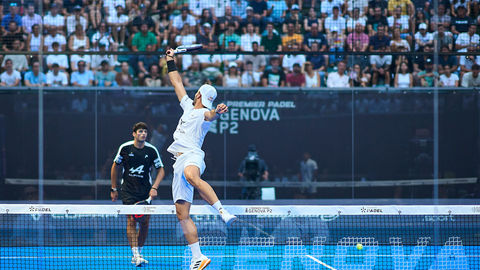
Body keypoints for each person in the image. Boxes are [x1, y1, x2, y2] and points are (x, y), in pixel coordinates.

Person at [164, 48, 236, 270]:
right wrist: (170, 60)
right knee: (182, 215)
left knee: (191, 175)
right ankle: (198, 257)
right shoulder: (187, 106)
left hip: (193, 155)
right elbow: (176, 82)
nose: (204, 102)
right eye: (205, 99)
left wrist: (218, 111)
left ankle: (223, 211)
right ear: (198, 96)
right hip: (177, 162)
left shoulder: (205, 114)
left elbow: (211, 114)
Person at [110, 122, 165, 267]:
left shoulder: (152, 150)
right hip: (128, 191)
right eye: (140, 131)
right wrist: (114, 188)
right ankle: (135, 255)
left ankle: (139, 253)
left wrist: (154, 187)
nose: (143, 134)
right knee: (131, 220)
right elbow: (115, 166)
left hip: (145, 192)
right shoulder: (125, 148)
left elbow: (161, 170)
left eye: (145, 132)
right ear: (134, 133)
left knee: (145, 223)